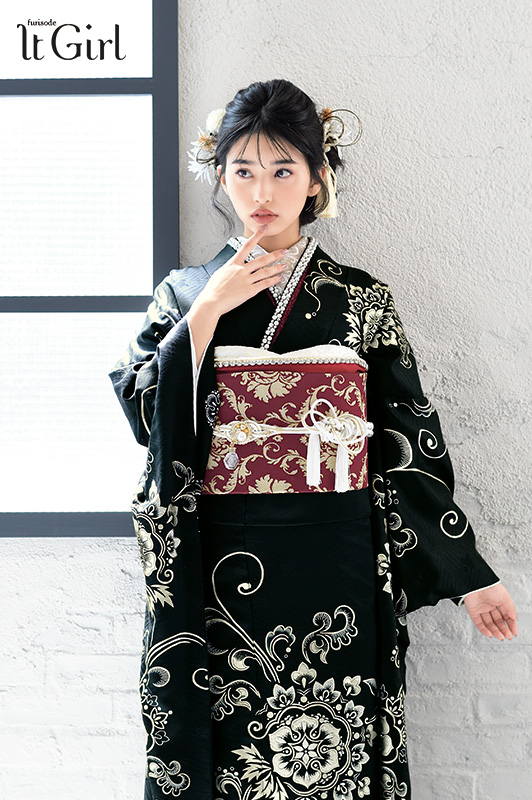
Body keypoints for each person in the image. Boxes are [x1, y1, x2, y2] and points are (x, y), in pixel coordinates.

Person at [109, 79, 518, 800]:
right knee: (230, 753)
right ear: (220, 176)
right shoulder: (183, 293)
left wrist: (467, 573)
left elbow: (406, 444)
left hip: (338, 558)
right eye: (243, 170)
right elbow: (146, 414)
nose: (261, 191)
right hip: (222, 558)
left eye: (282, 169)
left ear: (317, 177)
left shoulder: (361, 299)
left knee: (340, 754)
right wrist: (205, 314)